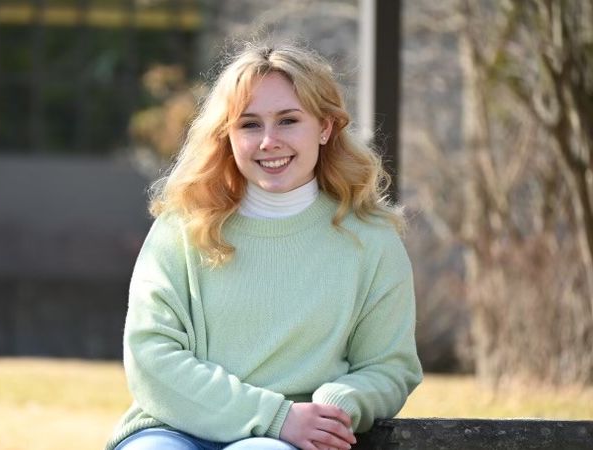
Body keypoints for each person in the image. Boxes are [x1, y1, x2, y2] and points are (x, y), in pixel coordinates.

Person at [107, 41, 423, 450]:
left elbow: (388, 367)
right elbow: (151, 357)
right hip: (171, 428)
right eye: (249, 124)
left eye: (288, 121)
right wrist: (273, 416)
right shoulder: (183, 226)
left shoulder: (370, 240)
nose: (268, 141)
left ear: (325, 127)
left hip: (291, 439)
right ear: (228, 135)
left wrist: (340, 403)